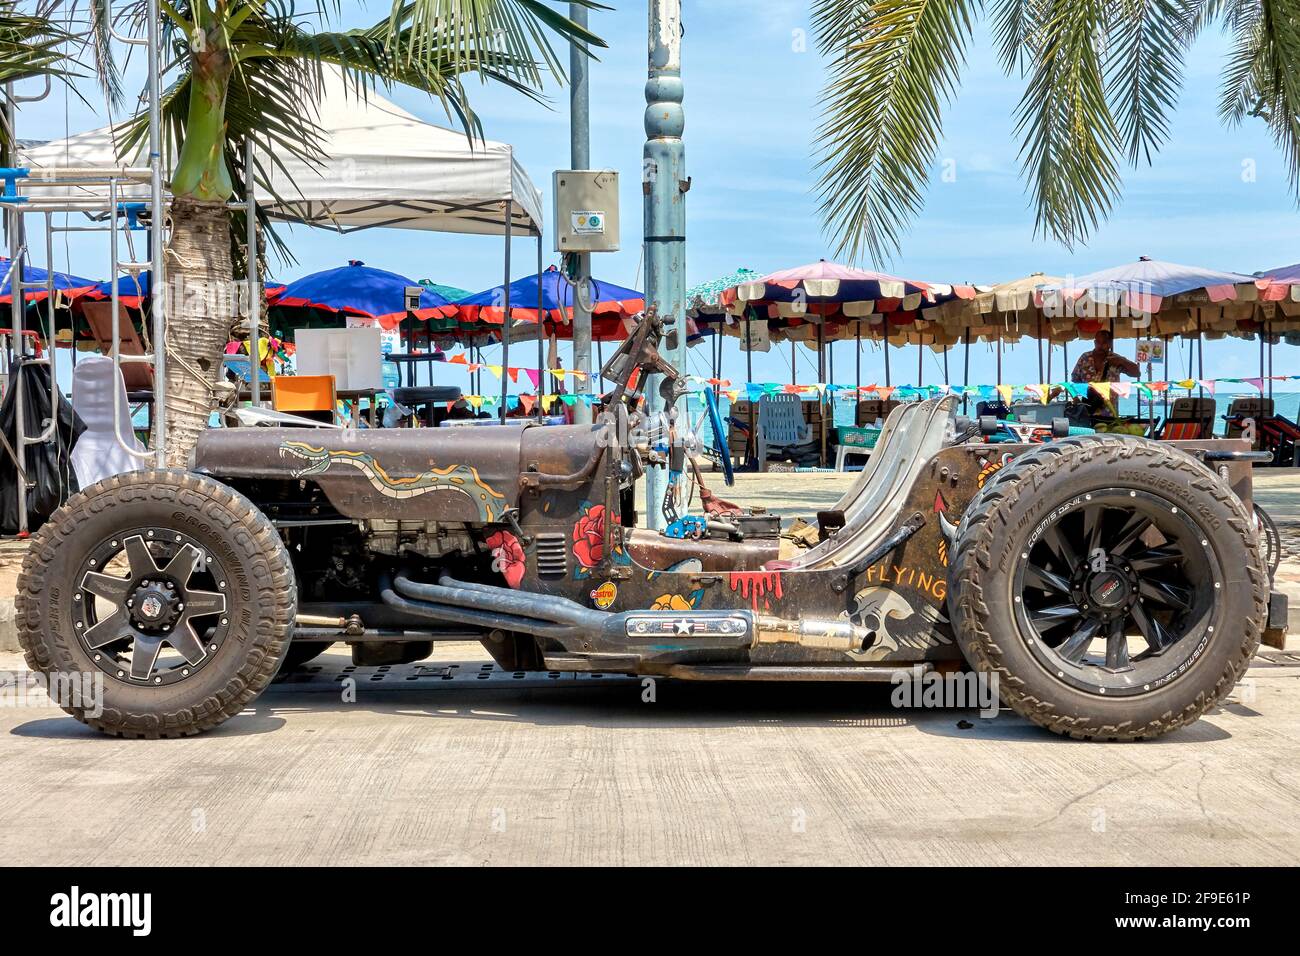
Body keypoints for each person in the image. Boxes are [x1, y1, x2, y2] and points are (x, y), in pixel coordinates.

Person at [1071, 330, 1140, 419]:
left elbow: (1136, 373)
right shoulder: (1085, 358)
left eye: (1104, 343)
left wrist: (1122, 361)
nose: (1100, 346)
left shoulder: (1116, 359)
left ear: (1110, 344)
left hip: (1109, 413)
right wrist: (1078, 398)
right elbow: (1075, 379)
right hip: (1087, 411)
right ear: (1094, 342)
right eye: (1098, 342)